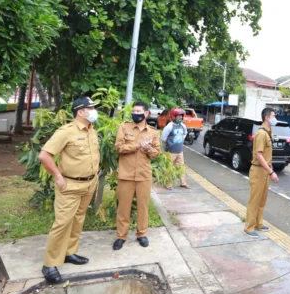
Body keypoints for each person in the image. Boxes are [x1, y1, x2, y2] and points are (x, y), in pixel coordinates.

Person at [38, 97, 100, 284]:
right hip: (70, 185)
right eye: (90, 108)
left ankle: (69, 252)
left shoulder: (91, 130)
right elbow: (44, 155)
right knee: (62, 223)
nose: (94, 111)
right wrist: (58, 177)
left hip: (89, 184)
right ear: (80, 112)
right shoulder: (66, 132)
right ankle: (49, 264)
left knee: (77, 220)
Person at [112, 101, 161, 251]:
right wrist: (137, 146)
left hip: (143, 175)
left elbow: (156, 154)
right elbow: (119, 147)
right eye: (134, 111)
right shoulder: (124, 127)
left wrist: (148, 149)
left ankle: (142, 234)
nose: (135, 113)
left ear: (146, 114)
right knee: (123, 208)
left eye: (139, 111)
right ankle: (121, 236)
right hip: (126, 175)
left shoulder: (153, 132)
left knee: (143, 207)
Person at [244, 108, 280, 239]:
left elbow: (266, 154)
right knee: (254, 200)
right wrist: (271, 172)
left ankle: (258, 223)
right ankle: (249, 227)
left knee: (262, 200)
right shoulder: (261, 133)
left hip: (264, 171)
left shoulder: (269, 131)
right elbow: (258, 155)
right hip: (258, 171)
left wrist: (270, 170)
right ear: (266, 117)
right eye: (273, 116)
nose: (274, 118)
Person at [161, 108, 189, 189]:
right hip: (170, 152)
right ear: (174, 116)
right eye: (178, 116)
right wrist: (170, 144)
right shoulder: (169, 126)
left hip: (180, 151)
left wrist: (179, 141)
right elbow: (163, 138)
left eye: (181, 116)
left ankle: (183, 183)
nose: (180, 118)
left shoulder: (183, 126)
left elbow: (185, 134)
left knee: (181, 168)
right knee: (169, 168)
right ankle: (168, 184)